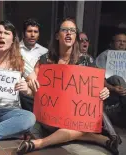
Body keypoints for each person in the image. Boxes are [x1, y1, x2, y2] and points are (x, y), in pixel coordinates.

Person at [17, 18, 121, 155]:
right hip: (52, 117)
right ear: (57, 35)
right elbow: (34, 90)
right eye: (65, 30)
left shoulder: (86, 60)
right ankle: (101, 139)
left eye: (72, 31)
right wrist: (29, 87)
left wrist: (104, 91)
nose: (69, 33)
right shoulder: (45, 60)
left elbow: (97, 87)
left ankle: (39, 143)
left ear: (75, 36)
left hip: (77, 118)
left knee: (77, 126)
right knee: (76, 129)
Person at [95, 32, 126, 127]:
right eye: (119, 41)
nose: (122, 44)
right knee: (117, 78)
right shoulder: (104, 56)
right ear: (112, 43)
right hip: (112, 90)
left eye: (124, 41)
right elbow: (99, 78)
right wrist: (113, 88)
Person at [19, 18, 48, 112]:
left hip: (38, 94)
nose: (32, 35)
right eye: (29, 31)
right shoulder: (15, 50)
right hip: (19, 93)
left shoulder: (45, 52)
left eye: (35, 32)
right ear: (23, 33)